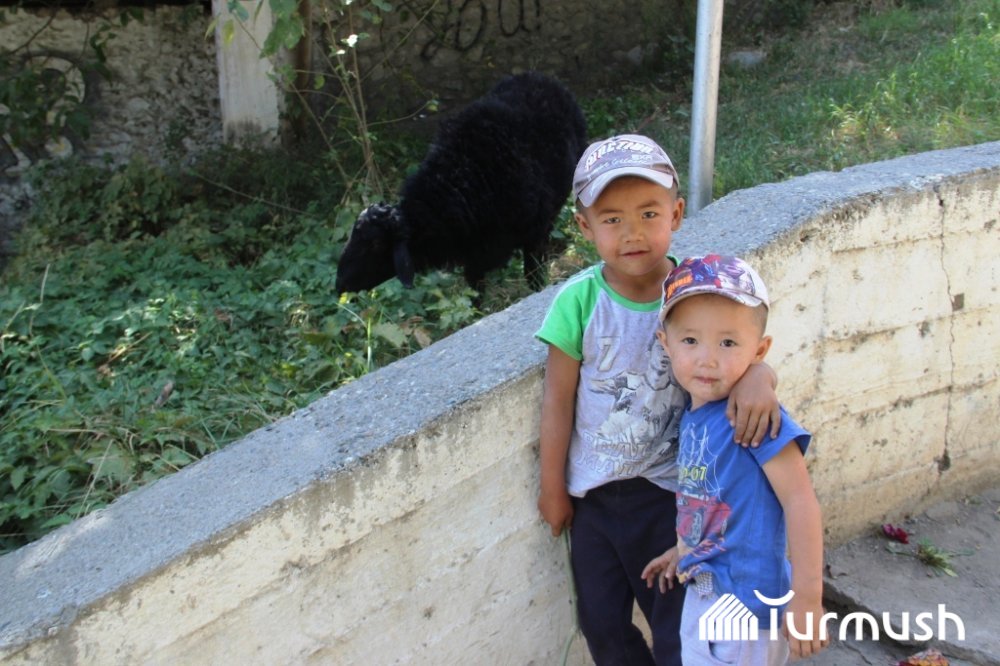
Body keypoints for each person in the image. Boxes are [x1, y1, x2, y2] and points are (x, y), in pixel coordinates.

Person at [535, 135, 781, 665]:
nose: (633, 233)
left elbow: (739, 345)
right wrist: (552, 488)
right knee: (600, 624)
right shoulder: (578, 303)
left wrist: (760, 374)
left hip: (672, 495)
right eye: (612, 219)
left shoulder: (697, 290)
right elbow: (557, 403)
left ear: (676, 213)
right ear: (585, 227)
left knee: (674, 625)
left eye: (649, 214)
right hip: (594, 498)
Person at [641, 255, 827, 665]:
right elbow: (715, 502)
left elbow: (800, 501)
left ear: (759, 350)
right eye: (691, 341)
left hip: (744, 608)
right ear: (665, 343)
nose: (707, 358)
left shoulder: (753, 417)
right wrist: (685, 551)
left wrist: (807, 598)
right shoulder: (695, 416)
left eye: (728, 343)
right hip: (705, 592)